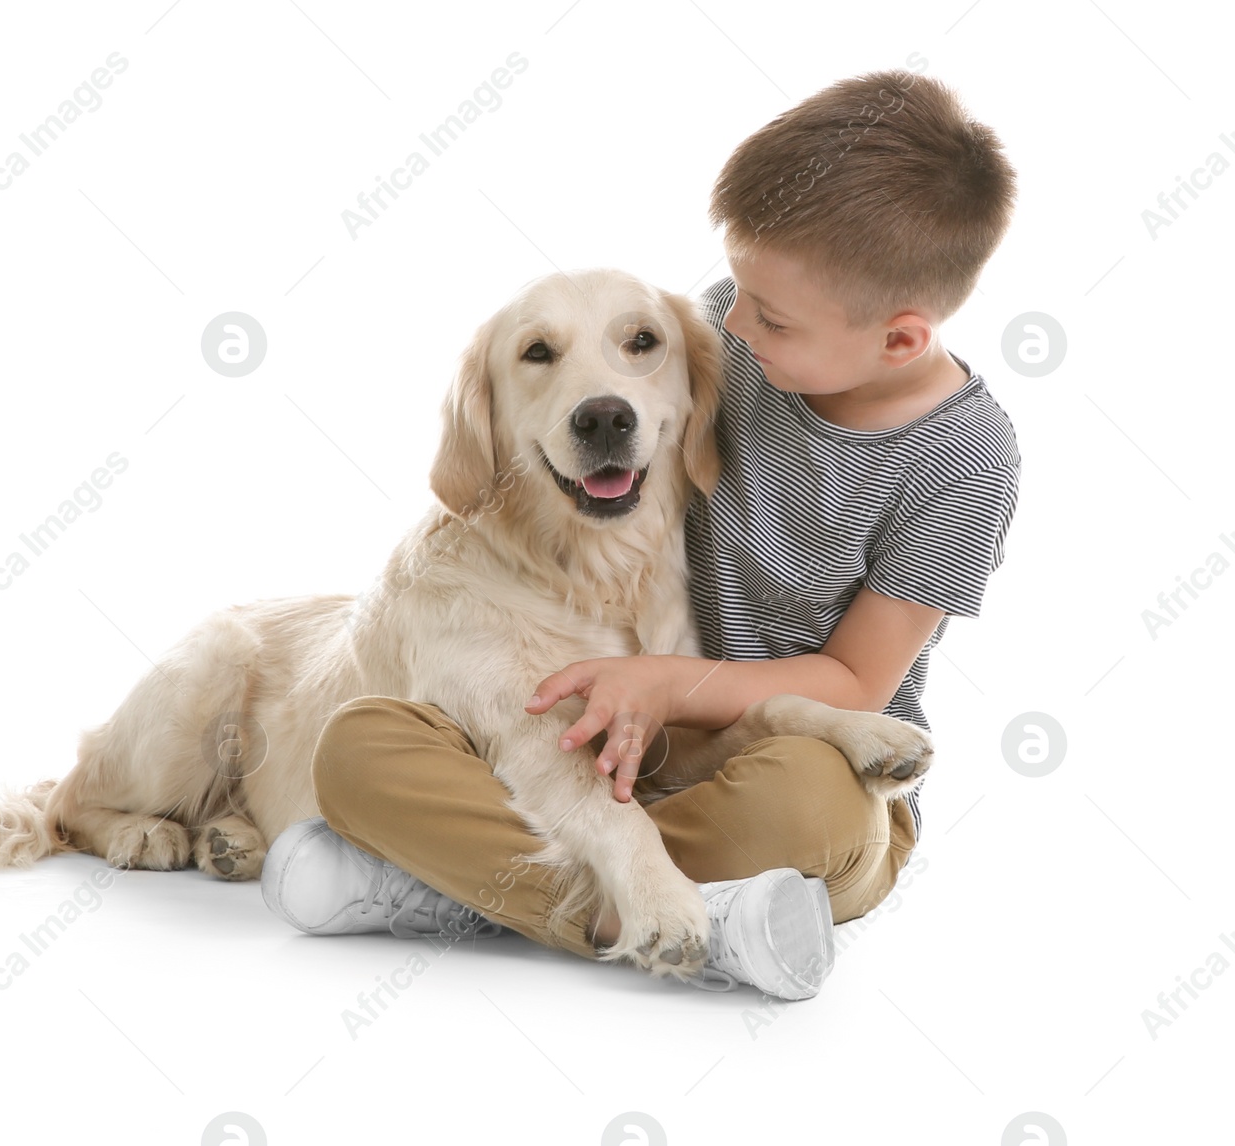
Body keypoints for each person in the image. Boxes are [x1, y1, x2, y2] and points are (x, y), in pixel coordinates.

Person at [260, 67, 1021, 1000]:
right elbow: (578, 404)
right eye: (736, 291)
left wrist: (663, 681)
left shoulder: (963, 458)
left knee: (808, 804)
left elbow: (859, 683)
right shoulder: (731, 335)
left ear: (900, 341)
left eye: (768, 318)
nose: (730, 321)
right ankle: (688, 917)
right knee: (360, 745)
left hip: (792, 756)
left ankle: (473, 891)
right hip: (626, 746)